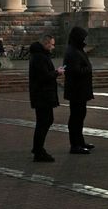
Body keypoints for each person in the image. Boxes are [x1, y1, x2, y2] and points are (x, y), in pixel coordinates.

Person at [29, 34, 65, 162]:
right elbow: (43, 76)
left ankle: (37, 148)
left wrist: (54, 72)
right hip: (42, 95)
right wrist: (57, 72)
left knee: (45, 121)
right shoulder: (39, 57)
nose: (53, 47)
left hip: (42, 94)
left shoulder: (40, 56)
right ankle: (38, 150)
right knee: (44, 122)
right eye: (52, 44)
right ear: (46, 44)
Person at [64, 26, 94, 154]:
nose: (85, 40)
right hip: (77, 91)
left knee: (79, 117)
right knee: (76, 118)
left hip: (80, 90)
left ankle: (80, 141)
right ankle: (75, 145)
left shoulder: (77, 49)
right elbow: (75, 71)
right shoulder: (73, 52)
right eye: (83, 37)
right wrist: (89, 69)